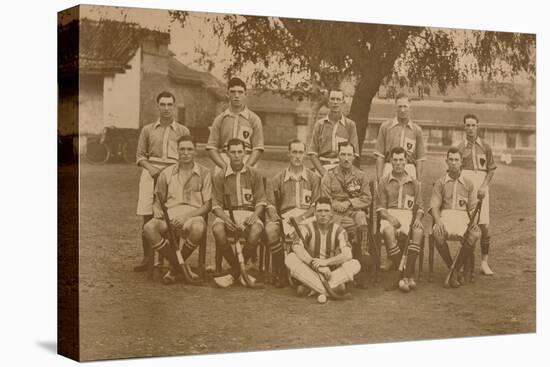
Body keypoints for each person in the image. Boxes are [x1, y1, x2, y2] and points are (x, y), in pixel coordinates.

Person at [142, 135, 212, 284]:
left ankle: (174, 269)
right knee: (148, 228)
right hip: (170, 214)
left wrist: (186, 217)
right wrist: (157, 210)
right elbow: (157, 199)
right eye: (182, 149)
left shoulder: (205, 173)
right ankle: (181, 266)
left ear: (195, 151)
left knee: (199, 228)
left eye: (189, 149)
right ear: (177, 151)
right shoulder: (166, 173)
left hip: (193, 215)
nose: (186, 153)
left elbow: (207, 205)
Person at [134, 91, 190, 272]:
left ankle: (173, 256)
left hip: (174, 175)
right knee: (148, 214)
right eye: (163, 104)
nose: (166, 108)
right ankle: (148, 257)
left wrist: (172, 174)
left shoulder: (182, 130)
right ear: (157, 106)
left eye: (170, 105)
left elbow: (186, 157)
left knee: (173, 214)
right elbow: (140, 156)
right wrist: (152, 170)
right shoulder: (147, 129)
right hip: (151, 174)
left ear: (174, 107)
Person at [264, 139, 321, 287]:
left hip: (307, 217)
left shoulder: (314, 178)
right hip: (285, 217)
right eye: (294, 152)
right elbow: (270, 203)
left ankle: (307, 272)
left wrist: (301, 217)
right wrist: (273, 214)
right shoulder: (277, 178)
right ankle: (281, 269)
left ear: (305, 155)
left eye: (301, 152)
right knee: (270, 230)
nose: (297, 156)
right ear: (288, 154)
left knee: (309, 232)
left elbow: (316, 205)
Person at [211, 138, 267, 288]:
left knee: (256, 229)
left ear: (245, 153)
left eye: (239, 152)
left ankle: (233, 273)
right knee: (217, 229)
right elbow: (215, 204)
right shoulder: (220, 176)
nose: (236, 155)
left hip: (248, 213)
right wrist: (225, 218)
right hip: (227, 214)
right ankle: (240, 271)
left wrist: (255, 215)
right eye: (233, 152)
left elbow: (261, 200)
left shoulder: (254, 174)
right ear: (227, 153)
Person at [285, 197, 361, 301]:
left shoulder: (339, 230)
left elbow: (348, 254)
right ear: (314, 214)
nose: (323, 214)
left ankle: (312, 288)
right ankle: (330, 289)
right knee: (290, 258)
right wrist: (316, 265)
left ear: (331, 213)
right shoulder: (306, 228)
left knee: (355, 264)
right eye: (319, 211)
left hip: (331, 272)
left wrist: (325, 262)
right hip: (311, 271)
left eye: (326, 211)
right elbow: (297, 248)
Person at [321, 142, 372, 287]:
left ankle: (362, 257)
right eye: (343, 154)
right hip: (335, 214)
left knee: (361, 217)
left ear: (354, 157)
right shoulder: (329, 175)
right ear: (338, 156)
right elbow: (324, 198)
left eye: (349, 154)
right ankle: (336, 267)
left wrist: (349, 203)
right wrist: (335, 205)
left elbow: (367, 198)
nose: (346, 158)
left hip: (354, 211)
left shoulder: (361, 175)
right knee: (338, 226)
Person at [429, 147, 481, 288]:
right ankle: (455, 269)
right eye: (450, 160)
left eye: (456, 160)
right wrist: (438, 221)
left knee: (475, 233)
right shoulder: (440, 183)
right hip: (446, 215)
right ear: (446, 161)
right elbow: (434, 206)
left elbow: (472, 208)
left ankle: (454, 270)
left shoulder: (469, 183)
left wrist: (474, 222)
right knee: (437, 233)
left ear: (461, 162)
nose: (453, 163)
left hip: (463, 218)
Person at [376, 147, 425, 292]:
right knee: (389, 232)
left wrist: (417, 218)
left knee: (418, 231)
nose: (398, 163)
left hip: (408, 215)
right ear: (390, 161)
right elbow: (380, 208)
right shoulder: (384, 181)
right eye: (395, 160)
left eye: (401, 160)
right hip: (389, 215)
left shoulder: (414, 183)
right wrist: (390, 218)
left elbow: (420, 206)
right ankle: (407, 275)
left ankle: (404, 275)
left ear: (406, 161)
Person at [455, 113, 497, 275]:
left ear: (478, 126)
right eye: (468, 125)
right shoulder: (459, 147)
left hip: (481, 187)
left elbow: (491, 169)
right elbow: (455, 169)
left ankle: (484, 262)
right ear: (464, 127)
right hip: (466, 187)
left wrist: (484, 186)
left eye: (473, 125)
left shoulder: (485, 146)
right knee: (466, 224)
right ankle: (465, 261)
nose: (471, 128)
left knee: (484, 226)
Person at [206, 77, 264, 172]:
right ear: (227, 94)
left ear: (245, 94)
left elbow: (258, 148)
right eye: (233, 92)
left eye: (240, 92)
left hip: (247, 159)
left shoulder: (254, 119)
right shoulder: (220, 119)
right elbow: (211, 147)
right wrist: (225, 167)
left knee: (246, 186)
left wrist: (246, 167)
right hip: (224, 159)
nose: (236, 95)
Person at [374, 92, 426, 181]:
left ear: (410, 108)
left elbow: (419, 159)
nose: (402, 110)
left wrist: (418, 181)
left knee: (408, 195)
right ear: (395, 107)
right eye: (400, 106)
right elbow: (380, 155)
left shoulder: (417, 130)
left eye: (405, 106)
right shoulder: (385, 127)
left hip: (409, 168)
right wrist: (379, 178)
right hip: (390, 166)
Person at [308, 89, 359, 176]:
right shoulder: (320, 124)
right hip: (322, 167)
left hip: (343, 168)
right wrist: (323, 173)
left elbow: (354, 153)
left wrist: (342, 170)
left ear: (343, 102)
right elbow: (312, 153)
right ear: (328, 102)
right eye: (333, 99)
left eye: (338, 99)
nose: (335, 102)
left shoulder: (350, 125)